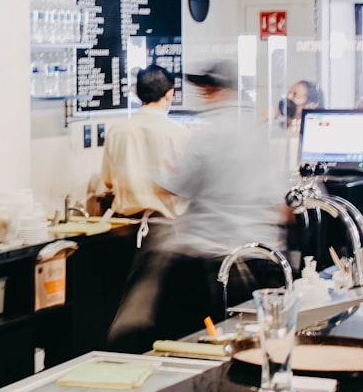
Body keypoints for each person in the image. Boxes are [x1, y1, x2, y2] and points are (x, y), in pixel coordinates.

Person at [108, 60, 290, 352]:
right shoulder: (254, 136)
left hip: (211, 259)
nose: (203, 95)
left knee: (192, 342)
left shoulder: (206, 136)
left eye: (205, 89)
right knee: (245, 342)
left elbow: (172, 186)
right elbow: (281, 207)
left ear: (215, 91)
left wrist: (157, 171)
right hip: (255, 256)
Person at [91, 64, 190, 224]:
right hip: (166, 228)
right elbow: (188, 187)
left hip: (123, 226)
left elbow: (107, 181)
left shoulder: (117, 131)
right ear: (170, 93)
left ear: (137, 94)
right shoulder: (181, 135)